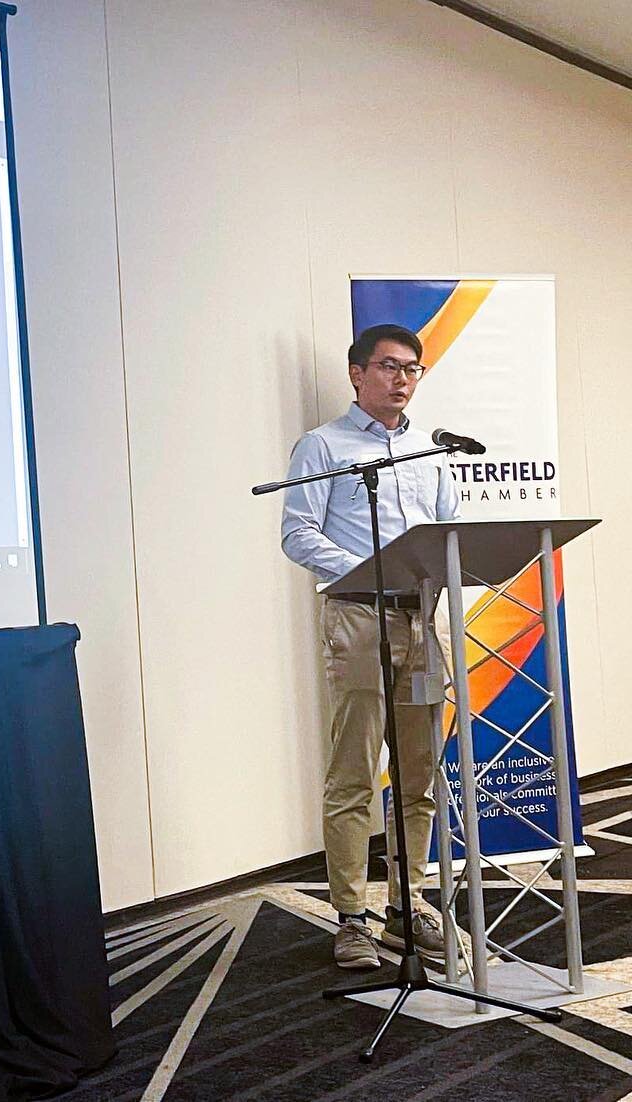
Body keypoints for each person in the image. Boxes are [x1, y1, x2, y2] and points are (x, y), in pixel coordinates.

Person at [281, 323, 460, 971]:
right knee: (355, 772)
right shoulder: (323, 446)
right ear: (358, 374)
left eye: (413, 368)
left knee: (419, 775)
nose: (402, 379)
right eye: (388, 366)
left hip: (422, 624)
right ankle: (352, 916)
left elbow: (449, 532)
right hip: (358, 620)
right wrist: (368, 571)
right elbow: (298, 533)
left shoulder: (431, 450)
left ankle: (407, 905)